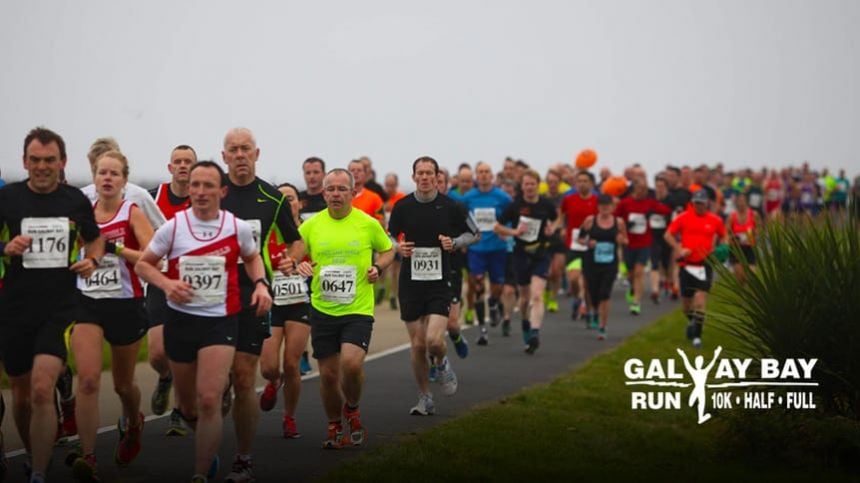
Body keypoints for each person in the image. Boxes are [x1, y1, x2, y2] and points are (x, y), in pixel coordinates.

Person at [135, 161, 272, 483]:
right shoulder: (174, 227)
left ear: (222, 191)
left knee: (210, 397)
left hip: (220, 320)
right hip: (180, 321)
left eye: (208, 185)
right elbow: (144, 265)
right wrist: (168, 285)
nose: (199, 191)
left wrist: (262, 284)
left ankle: (200, 472)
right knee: (189, 405)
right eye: (195, 185)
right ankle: (207, 447)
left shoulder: (235, 227)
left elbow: (252, 257)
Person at [0, 127, 104, 483]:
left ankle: (39, 473)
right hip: (14, 307)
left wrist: (91, 261)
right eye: (35, 160)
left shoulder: (74, 200)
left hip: (58, 307)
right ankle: (33, 454)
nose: (42, 167)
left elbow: (96, 241)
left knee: (44, 386)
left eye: (49, 160)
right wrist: (6, 248)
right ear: (25, 162)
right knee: (23, 394)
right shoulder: (8, 199)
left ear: (62, 162)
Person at [219, 127, 303, 481]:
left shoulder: (272, 198)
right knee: (208, 389)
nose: (240, 154)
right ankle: (207, 420)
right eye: (233, 150)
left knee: (242, 377)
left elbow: (296, 242)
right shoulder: (212, 192)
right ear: (224, 156)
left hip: (254, 296)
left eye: (246, 149)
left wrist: (289, 259)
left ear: (257, 154)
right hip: (210, 299)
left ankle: (243, 457)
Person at [294, 168, 394, 449]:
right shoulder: (311, 227)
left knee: (350, 364)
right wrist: (299, 264)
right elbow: (293, 254)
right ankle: (335, 424)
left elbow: (388, 250)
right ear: (323, 193)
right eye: (330, 189)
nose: (335, 194)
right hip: (323, 309)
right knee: (327, 375)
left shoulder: (366, 223)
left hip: (357, 309)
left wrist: (378, 267)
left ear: (352, 192)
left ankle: (352, 406)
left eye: (341, 189)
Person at [70, 150, 154, 480]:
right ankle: (88, 456)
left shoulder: (131, 213)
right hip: (87, 302)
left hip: (125, 304)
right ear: (94, 177)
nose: (107, 178)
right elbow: (72, 250)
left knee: (122, 385)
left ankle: (134, 422)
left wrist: (115, 249)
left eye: (114, 174)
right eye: (101, 173)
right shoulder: (82, 215)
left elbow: (151, 257)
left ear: (123, 180)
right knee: (88, 380)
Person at [389, 157, 478, 415]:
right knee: (417, 345)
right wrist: (398, 247)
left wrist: (455, 242)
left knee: (433, 340)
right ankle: (424, 397)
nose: (425, 177)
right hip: (410, 282)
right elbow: (388, 234)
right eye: (421, 173)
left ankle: (441, 361)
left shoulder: (452, 206)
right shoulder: (403, 206)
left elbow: (475, 233)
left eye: (430, 173)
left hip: (440, 281)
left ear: (437, 176)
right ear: (414, 176)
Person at [147, 145, 195, 436]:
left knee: (183, 350)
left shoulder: (204, 198)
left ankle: (177, 413)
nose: (183, 166)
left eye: (188, 162)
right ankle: (164, 377)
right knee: (156, 353)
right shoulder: (153, 196)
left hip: (192, 284)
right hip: (158, 282)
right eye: (177, 162)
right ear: (169, 168)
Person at [258, 182, 312, 439]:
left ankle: (289, 417)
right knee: (268, 366)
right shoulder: (267, 229)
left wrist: (308, 268)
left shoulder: (307, 231)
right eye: (282, 199)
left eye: (291, 198)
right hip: (271, 301)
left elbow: (323, 261)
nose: (287, 203)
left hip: (300, 302)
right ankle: (273, 381)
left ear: (299, 203)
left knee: (292, 364)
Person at [494, 170, 559, 353]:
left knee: (537, 295)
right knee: (524, 298)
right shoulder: (515, 206)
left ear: (538, 184)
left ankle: (535, 332)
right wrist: (514, 232)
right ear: (521, 187)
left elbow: (557, 219)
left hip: (540, 253)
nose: (529, 187)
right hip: (520, 255)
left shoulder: (546, 205)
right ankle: (524, 321)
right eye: (526, 184)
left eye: (532, 183)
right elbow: (496, 226)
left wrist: (551, 228)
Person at [664, 190, 728, 348]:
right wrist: (679, 249)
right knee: (686, 306)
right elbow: (668, 235)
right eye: (696, 203)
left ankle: (697, 337)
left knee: (700, 300)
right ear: (693, 203)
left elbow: (724, 235)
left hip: (704, 264)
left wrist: (723, 248)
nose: (699, 206)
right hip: (687, 265)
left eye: (701, 203)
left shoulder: (715, 220)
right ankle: (693, 321)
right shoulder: (684, 217)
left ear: (707, 203)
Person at [461, 162, 512, 345]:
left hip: (498, 248)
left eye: (486, 172)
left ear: (491, 175)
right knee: (478, 286)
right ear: (476, 175)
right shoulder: (468, 198)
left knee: (497, 286)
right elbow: (462, 219)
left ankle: (494, 301)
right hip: (477, 249)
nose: (483, 175)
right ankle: (482, 330)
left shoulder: (502, 197)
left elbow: (512, 216)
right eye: (480, 172)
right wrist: (465, 239)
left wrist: (508, 233)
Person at [615, 179, 672, 315]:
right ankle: (632, 287)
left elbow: (666, 210)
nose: (643, 191)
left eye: (645, 189)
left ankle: (636, 303)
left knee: (639, 272)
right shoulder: (625, 203)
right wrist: (622, 232)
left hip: (644, 243)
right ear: (635, 189)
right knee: (630, 273)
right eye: (640, 188)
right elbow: (615, 218)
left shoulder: (649, 203)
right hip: (629, 243)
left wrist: (655, 210)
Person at [577, 195, 628, 340]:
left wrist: (621, 240)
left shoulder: (619, 223)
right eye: (602, 206)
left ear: (612, 207)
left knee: (605, 294)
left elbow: (626, 240)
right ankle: (593, 311)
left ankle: (603, 326)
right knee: (593, 293)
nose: (605, 209)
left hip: (610, 263)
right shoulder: (589, 221)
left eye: (607, 206)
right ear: (598, 207)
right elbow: (579, 239)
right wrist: (588, 243)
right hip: (591, 262)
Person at [435, 169, 471, 358]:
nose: (437, 185)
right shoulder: (415, 208)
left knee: (451, 323)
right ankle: (435, 362)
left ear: (447, 184)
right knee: (429, 326)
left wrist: (456, 243)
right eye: (434, 181)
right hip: (426, 273)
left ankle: (456, 337)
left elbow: (475, 234)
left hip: (451, 268)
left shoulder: (457, 207)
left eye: (440, 181)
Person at [559, 170, 599, 325]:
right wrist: (561, 227)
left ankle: (589, 310)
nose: (582, 184)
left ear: (591, 183)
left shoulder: (596, 201)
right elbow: (561, 215)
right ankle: (577, 299)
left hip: (590, 245)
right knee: (574, 278)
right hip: (573, 244)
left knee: (588, 283)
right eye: (579, 181)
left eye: (585, 181)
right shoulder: (569, 199)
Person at [380, 173, 407, 310]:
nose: (389, 188)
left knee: (395, 270)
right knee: (383, 267)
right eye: (387, 185)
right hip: (383, 238)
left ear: (396, 185)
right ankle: (382, 287)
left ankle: (392, 295)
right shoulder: (381, 198)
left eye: (392, 185)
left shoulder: (401, 198)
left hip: (397, 239)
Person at [648, 176, 673, 303]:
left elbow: (675, 217)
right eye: (657, 186)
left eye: (662, 186)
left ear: (666, 187)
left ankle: (667, 283)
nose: (659, 189)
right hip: (653, 236)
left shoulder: (670, 200)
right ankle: (655, 290)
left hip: (667, 236)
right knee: (654, 262)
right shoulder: (651, 200)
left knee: (666, 263)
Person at [727, 191, 760, 284]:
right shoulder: (731, 216)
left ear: (747, 202)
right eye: (739, 201)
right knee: (740, 278)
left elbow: (759, 230)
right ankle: (742, 297)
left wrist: (753, 237)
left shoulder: (754, 214)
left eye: (743, 201)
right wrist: (732, 238)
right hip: (737, 248)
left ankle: (751, 296)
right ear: (736, 202)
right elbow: (727, 232)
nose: (741, 203)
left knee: (752, 276)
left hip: (750, 247)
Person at [299, 157, 327, 221]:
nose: (312, 176)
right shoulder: (297, 199)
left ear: (324, 174)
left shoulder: (331, 197)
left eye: (316, 172)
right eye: (308, 173)